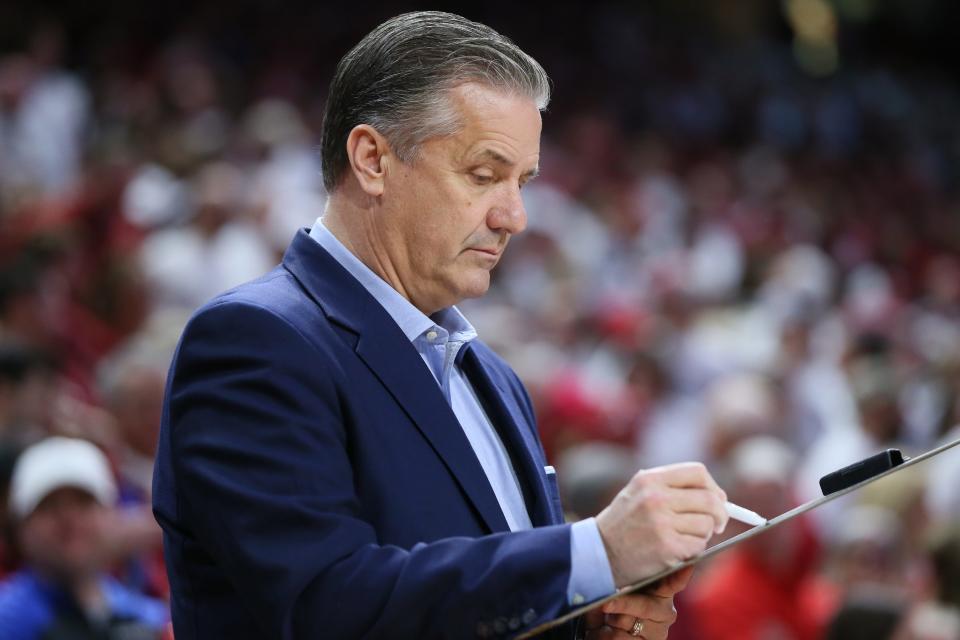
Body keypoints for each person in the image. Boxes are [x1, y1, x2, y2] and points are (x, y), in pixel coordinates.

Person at [152, 11, 729, 639]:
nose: (515, 216)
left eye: (523, 182)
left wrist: (586, 622)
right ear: (372, 159)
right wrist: (592, 554)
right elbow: (322, 605)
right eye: (484, 175)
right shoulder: (254, 341)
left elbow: (477, 608)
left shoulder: (494, 377)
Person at [0, 436, 169, 639]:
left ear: (111, 515)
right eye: (50, 506)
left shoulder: (148, 618)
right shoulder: (7, 621)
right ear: (20, 526)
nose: (69, 519)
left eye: (83, 502)